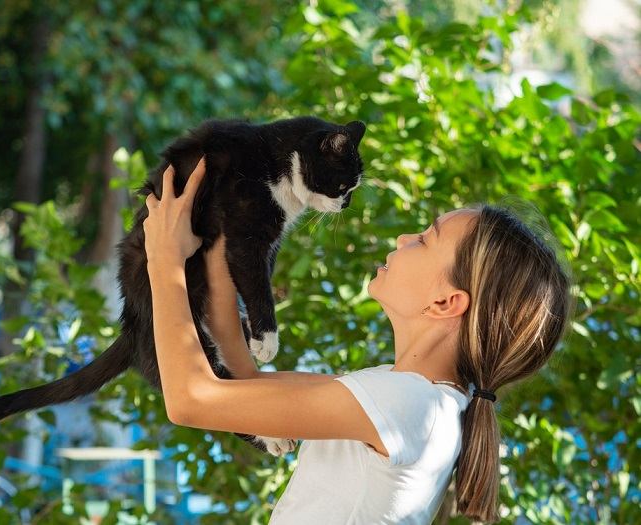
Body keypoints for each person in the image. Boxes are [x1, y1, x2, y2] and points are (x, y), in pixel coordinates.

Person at [142, 159, 573, 524]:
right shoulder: (411, 398)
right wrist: (219, 242)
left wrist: (164, 259)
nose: (405, 239)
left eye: (424, 240)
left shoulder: (407, 404)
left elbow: (191, 400)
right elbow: (241, 380)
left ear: (445, 302)